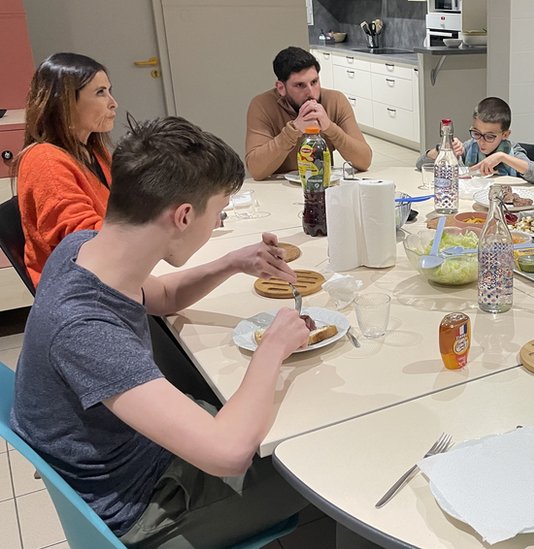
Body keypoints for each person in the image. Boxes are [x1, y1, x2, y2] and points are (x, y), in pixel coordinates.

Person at [10, 116, 312, 547]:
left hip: (139, 457)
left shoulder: (81, 250)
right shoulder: (85, 329)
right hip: (141, 508)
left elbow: (164, 295)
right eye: (218, 213)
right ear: (184, 216)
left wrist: (232, 262)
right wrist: (274, 346)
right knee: (313, 464)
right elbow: (227, 454)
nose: (217, 224)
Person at [15, 52, 117, 287]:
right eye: (100, 92)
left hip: (107, 272)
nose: (113, 103)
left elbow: (127, 204)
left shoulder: (94, 150)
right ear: (66, 103)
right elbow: (83, 241)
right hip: (78, 289)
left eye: (109, 91)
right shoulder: (45, 161)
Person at [245, 46, 372, 180]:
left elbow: (364, 161)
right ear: (281, 88)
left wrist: (330, 128)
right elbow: (256, 170)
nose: (311, 92)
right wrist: (293, 130)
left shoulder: (336, 100)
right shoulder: (262, 105)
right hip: (281, 186)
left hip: (323, 184)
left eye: (314, 82)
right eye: (300, 85)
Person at [416, 97, 534, 184]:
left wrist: (502, 157)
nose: (481, 142)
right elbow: (420, 164)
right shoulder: (470, 147)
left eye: (490, 136)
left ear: (505, 134)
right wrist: (444, 149)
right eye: (477, 133)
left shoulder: (513, 151)